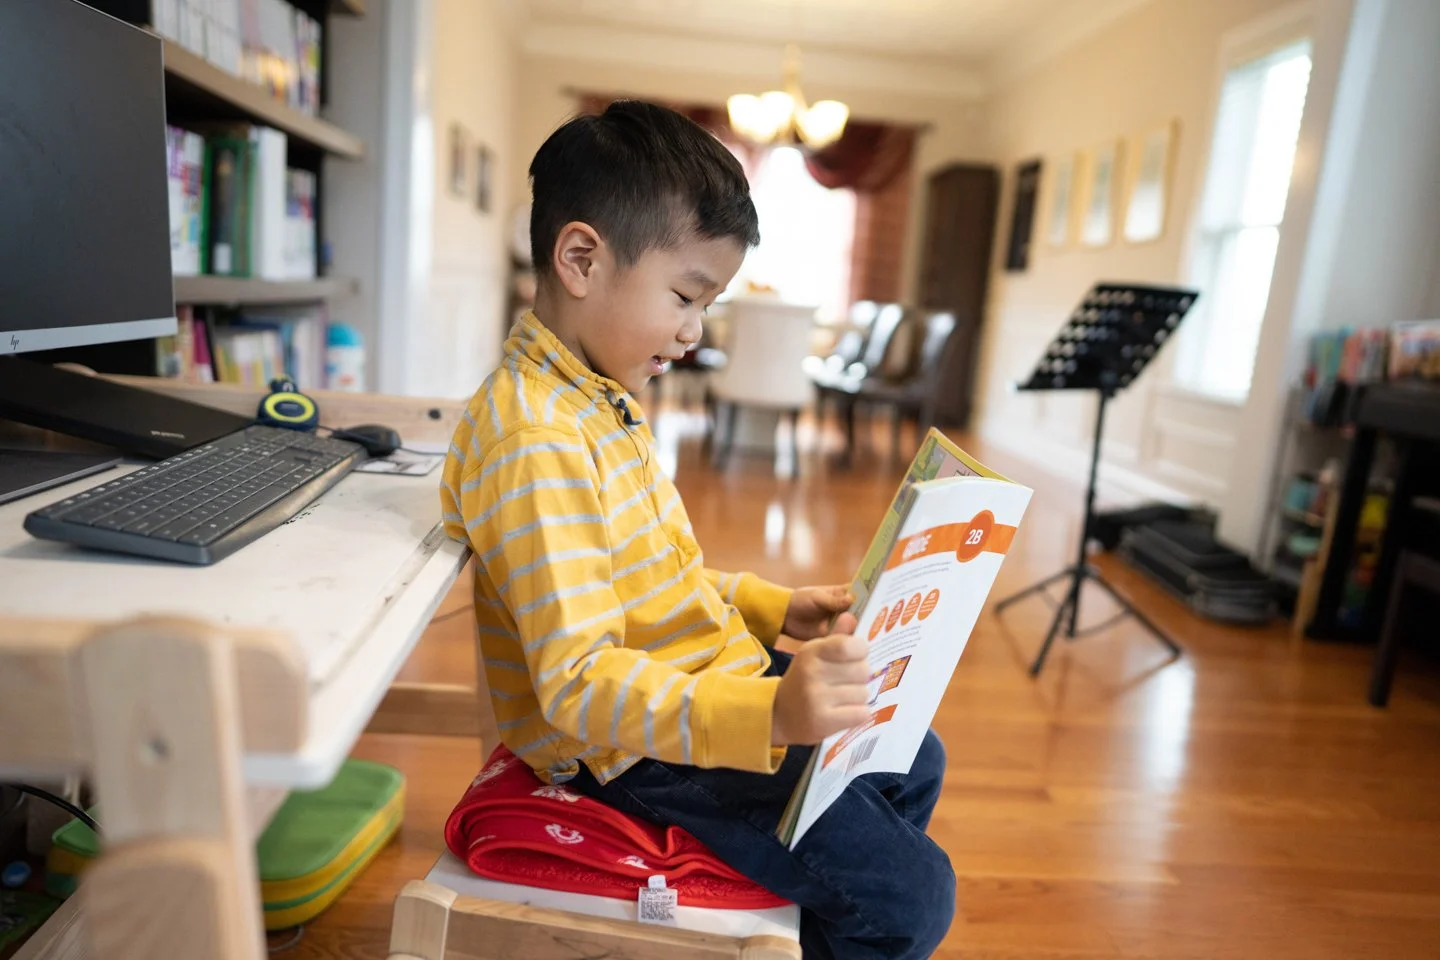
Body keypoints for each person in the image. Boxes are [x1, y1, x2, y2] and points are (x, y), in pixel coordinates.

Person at [440, 99, 955, 960]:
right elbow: (575, 684)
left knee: (915, 751)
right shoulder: (534, 440)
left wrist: (767, 607)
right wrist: (773, 711)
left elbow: (647, 576)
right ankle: (832, 901)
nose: (694, 331)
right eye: (685, 296)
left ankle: (816, 885)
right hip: (635, 753)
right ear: (580, 259)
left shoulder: (592, 399)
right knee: (915, 898)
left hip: (692, 679)